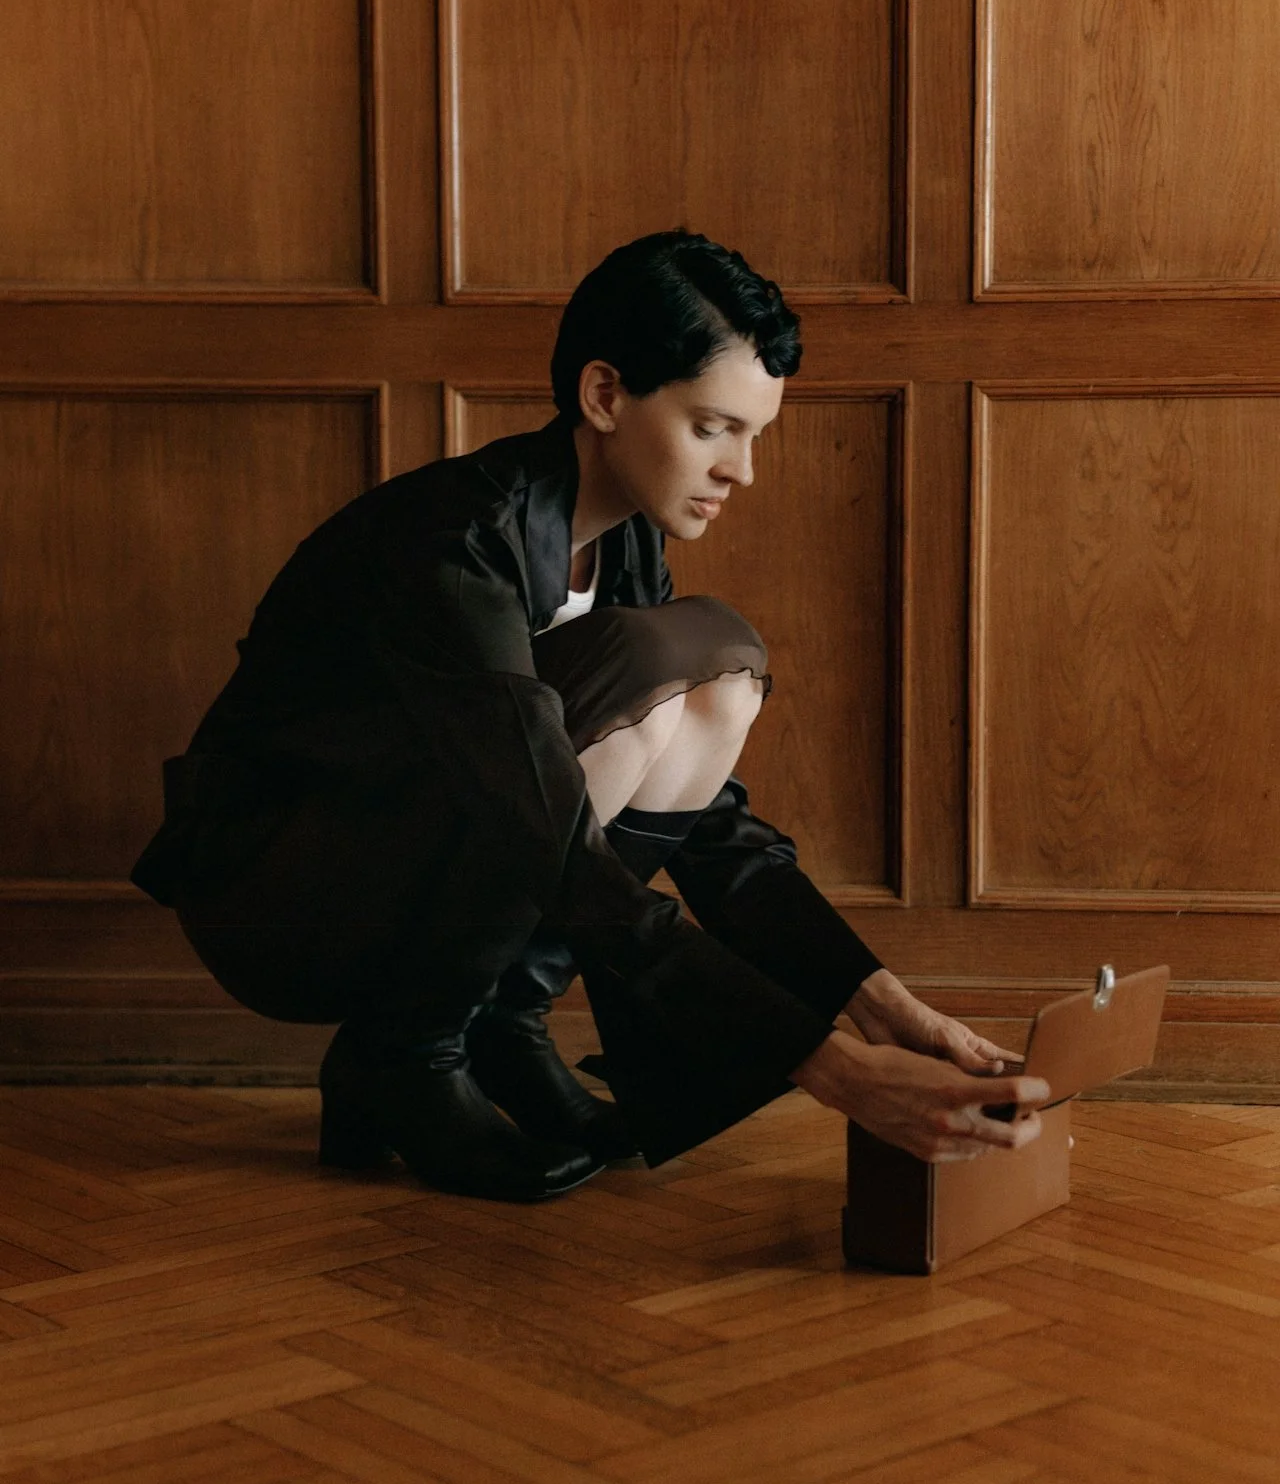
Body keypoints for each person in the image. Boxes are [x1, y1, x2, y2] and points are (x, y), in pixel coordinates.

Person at [132, 230, 1048, 1203]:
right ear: (605, 395)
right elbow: (544, 829)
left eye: (754, 435)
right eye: (712, 428)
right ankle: (405, 1052)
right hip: (283, 892)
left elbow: (704, 826)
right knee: (668, 668)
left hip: (422, 845)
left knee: (712, 683)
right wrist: (834, 1070)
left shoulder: (624, 547)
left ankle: (501, 1025)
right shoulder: (458, 547)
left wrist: (880, 1005)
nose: (741, 470)